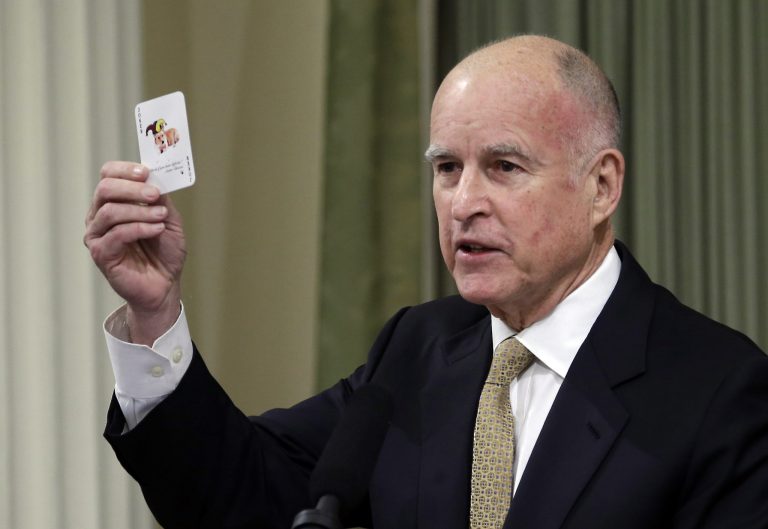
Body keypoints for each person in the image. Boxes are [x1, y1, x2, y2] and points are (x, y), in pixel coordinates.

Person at [84, 35, 768, 529]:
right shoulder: (417, 347)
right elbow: (240, 493)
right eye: (447, 168)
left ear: (601, 185)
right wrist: (156, 314)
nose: (464, 200)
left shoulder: (720, 389)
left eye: (504, 166)